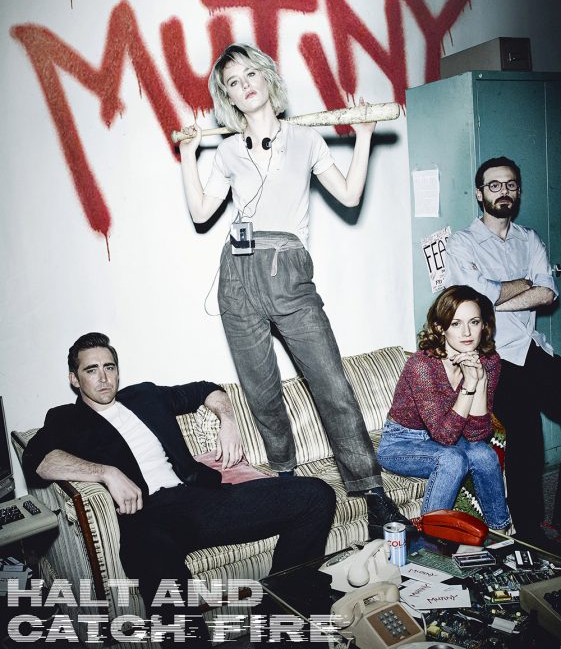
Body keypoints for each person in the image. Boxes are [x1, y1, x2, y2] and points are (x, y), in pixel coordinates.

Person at [178, 43, 411, 536]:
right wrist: (188, 155)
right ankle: (285, 481)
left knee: (332, 385)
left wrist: (363, 137)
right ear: (229, 98)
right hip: (237, 276)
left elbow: (349, 194)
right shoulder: (228, 151)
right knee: (261, 392)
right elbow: (201, 212)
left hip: (288, 270)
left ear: (266, 77)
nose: (245, 85)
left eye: (250, 74)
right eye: (234, 82)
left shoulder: (306, 139)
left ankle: (372, 492)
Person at [22, 332, 336, 646]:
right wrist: (106, 472)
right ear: (74, 379)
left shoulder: (145, 396)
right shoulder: (66, 419)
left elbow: (206, 389)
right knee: (160, 573)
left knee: (315, 495)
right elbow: (36, 460)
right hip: (144, 517)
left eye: (110, 367)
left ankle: (275, 619)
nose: (104, 378)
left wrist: (228, 422)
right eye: (91, 370)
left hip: (197, 499)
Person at [444, 156, 560, 546]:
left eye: (510, 184)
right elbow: (473, 298)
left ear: (518, 191)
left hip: (533, 348)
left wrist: (494, 297)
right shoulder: (462, 242)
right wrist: (521, 284)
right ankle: (529, 532)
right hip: (496, 356)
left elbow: (548, 293)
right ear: (480, 194)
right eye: (494, 185)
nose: (503, 191)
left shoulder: (530, 239)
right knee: (527, 439)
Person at [377, 286, 510, 530]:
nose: (467, 332)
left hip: (451, 436)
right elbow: (445, 437)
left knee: (484, 454)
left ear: (484, 325)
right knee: (452, 459)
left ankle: (500, 532)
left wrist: (480, 380)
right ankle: (432, 539)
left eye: (474, 322)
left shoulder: (489, 361)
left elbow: (477, 435)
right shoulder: (422, 365)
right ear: (440, 327)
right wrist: (469, 384)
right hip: (401, 442)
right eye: (456, 324)